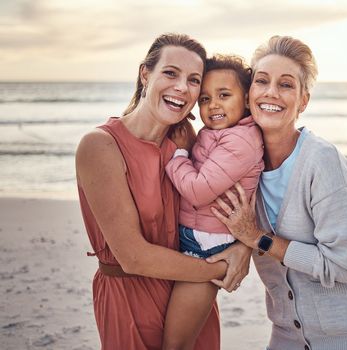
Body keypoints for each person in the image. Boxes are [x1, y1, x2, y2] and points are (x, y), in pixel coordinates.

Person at [212, 35, 347, 350]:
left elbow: (340, 265)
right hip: (288, 333)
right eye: (262, 81)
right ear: (248, 95)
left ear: (303, 101)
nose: (272, 92)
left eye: (286, 85)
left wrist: (256, 239)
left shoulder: (323, 163)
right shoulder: (243, 165)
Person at [75, 33, 251, 350]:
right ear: (146, 74)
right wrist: (221, 269)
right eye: (171, 73)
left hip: (190, 298)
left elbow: (233, 205)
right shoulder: (100, 145)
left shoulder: (189, 143)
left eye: (193, 80)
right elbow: (133, 257)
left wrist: (244, 248)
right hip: (131, 302)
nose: (182, 87)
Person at [162, 54, 264, 349]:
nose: (213, 105)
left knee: (175, 343)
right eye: (204, 99)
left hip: (206, 247)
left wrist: (180, 154)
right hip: (197, 235)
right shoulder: (220, 133)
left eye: (224, 95)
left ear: (246, 100)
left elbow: (197, 191)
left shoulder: (240, 141)